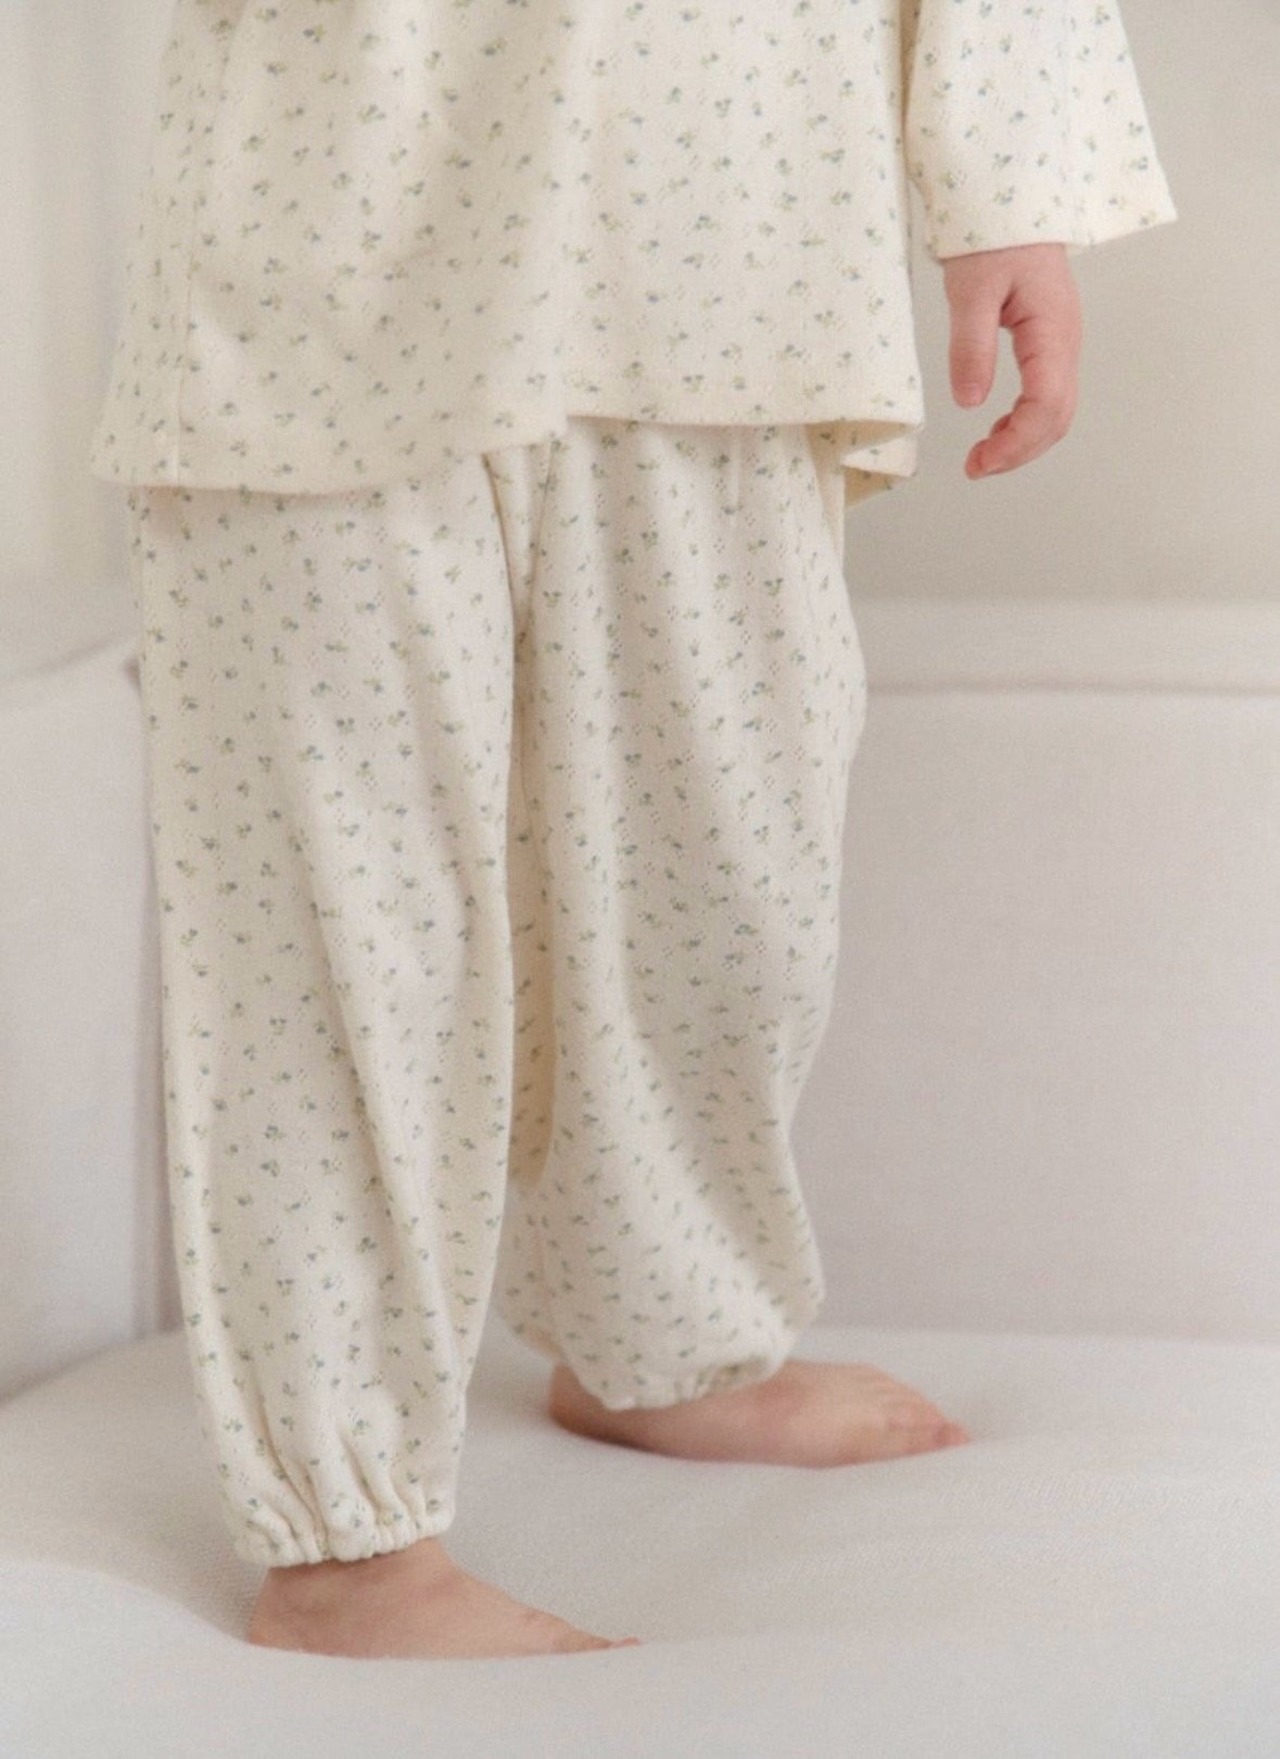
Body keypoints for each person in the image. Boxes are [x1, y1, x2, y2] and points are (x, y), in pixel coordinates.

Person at [89, 0, 1175, 1660]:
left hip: (740, 241)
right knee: (345, 925)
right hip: (339, 225)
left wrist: (1007, 190)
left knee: (728, 884)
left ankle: (664, 1335)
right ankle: (345, 1545)